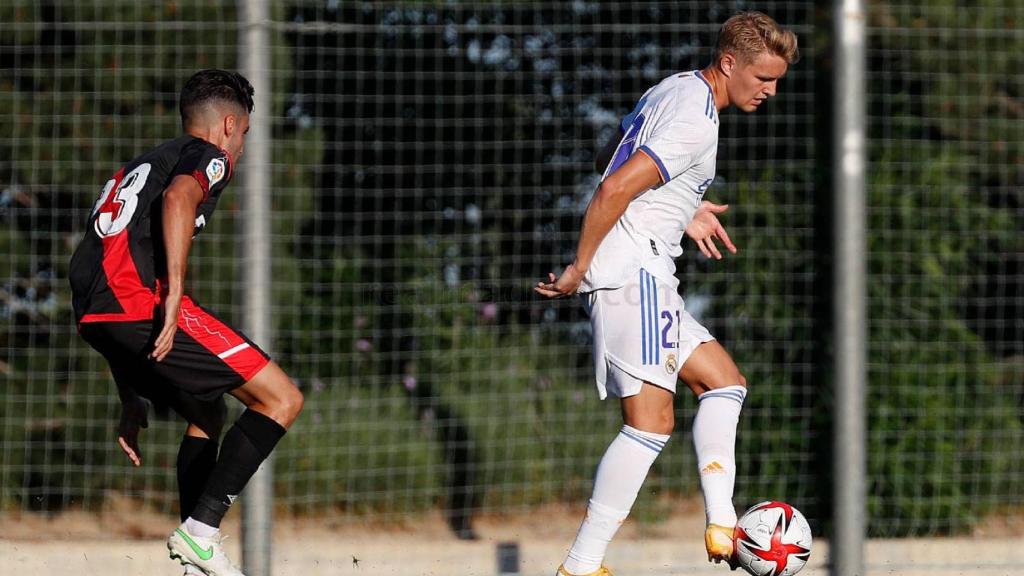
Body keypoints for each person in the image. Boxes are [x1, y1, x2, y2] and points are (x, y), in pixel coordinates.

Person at [535, 12, 799, 576]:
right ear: (730, 63)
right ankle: (581, 566)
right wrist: (579, 268)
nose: (771, 92)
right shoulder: (697, 124)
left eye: (777, 81)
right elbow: (612, 186)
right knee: (650, 423)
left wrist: (683, 205)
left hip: (651, 273)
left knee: (724, 383)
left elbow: (614, 147)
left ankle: (722, 524)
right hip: (634, 277)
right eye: (763, 79)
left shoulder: (677, 87)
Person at [69, 69, 304, 576]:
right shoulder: (207, 157)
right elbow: (180, 199)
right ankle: (200, 533)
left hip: (97, 314)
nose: (239, 147)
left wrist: (130, 392)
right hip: (141, 303)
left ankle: (197, 556)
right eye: (243, 135)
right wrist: (174, 295)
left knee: (207, 410)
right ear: (226, 125)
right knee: (282, 398)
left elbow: (97, 275)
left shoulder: (136, 167)